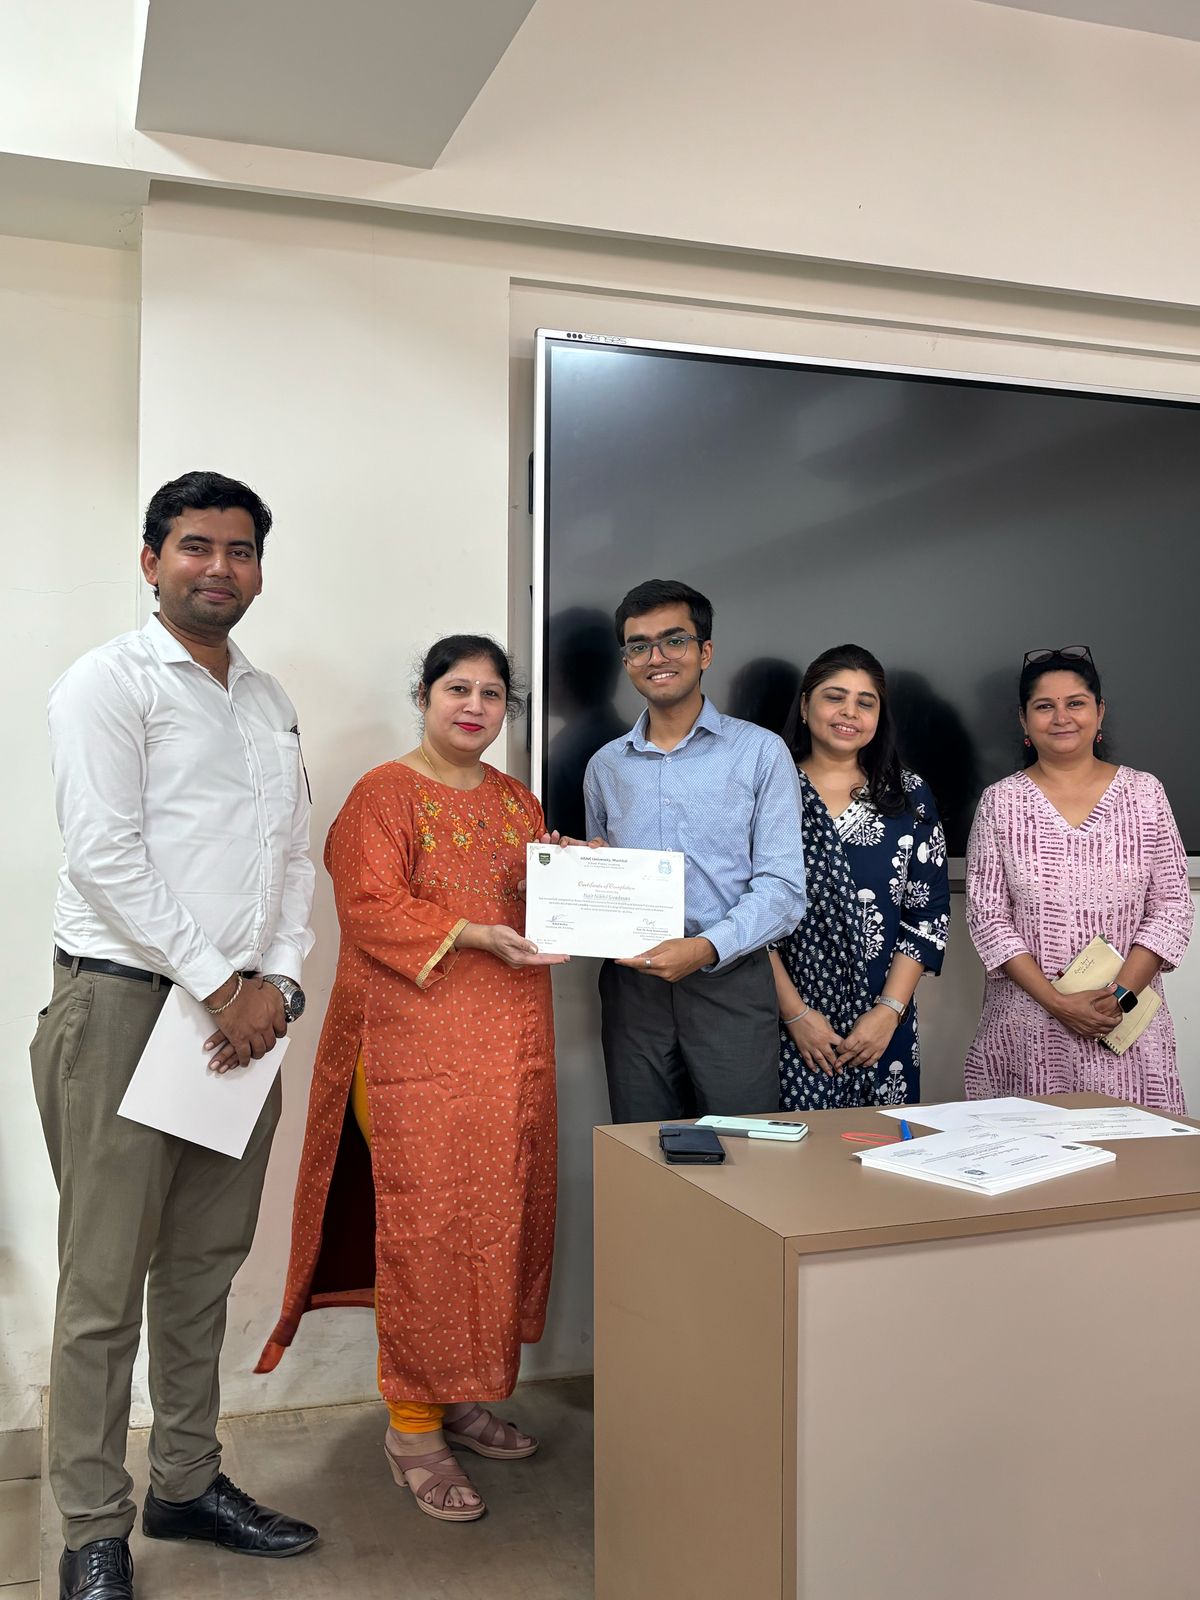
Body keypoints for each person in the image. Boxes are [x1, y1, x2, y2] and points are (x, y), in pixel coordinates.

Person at [31, 471, 318, 1600]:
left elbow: (291, 856)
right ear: (151, 560)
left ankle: (187, 1483)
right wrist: (220, 984)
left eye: (240, 550)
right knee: (102, 1290)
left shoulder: (266, 697)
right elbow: (105, 853)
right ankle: (91, 1527)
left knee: (202, 1272)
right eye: (195, 545)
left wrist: (277, 986)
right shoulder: (107, 682)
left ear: (258, 569)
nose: (219, 567)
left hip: (243, 1023)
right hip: (124, 1007)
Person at [258, 635, 563, 1523]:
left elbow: (537, 909)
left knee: (494, 1222)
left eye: (492, 694)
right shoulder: (384, 795)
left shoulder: (518, 802)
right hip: (409, 1057)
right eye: (457, 689)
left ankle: (459, 1398)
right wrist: (470, 934)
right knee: (429, 1230)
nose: (475, 706)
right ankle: (414, 1428)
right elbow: (368, 905)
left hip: (509, 1054)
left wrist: (570, 874)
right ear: (425, 698)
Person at [582, 579, 807, 1123]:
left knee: (742, 1148)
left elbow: (783, 890)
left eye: (674, 640)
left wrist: (705, 948)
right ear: (626, 661)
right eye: (639, 646)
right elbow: (600, 874)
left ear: (705, 652)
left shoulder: (761, 752)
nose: (656, 657)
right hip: (633, 988)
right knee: (641, 1145)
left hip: (730, 980)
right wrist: (580, 869)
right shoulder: (605, 766)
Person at [965, 646, 1192, 1109]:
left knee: (1134, 1150)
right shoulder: (1000, 803)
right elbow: (988, 918)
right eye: (1044, 706)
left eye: (1075, 703)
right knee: (1027, 1149)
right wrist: (1057, 1002)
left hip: (1125, 1029)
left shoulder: (1145, 794)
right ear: (1024, 720)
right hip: (1028, 1032)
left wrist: (1120, 996)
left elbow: (1172, 906)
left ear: (1099, 711)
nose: (1061, 717)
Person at [771, 644, 950, 1110]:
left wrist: (888, 1013)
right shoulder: (767, 789)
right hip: (779, 1020)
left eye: (865, 702)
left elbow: (927, 916)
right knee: (784, 1152)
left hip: (881, 1028)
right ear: (805, 706)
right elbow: (745, 913)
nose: (849, 712)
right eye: (835, 697)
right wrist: (795, 1015)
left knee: (880, 1150)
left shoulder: (908, 796)